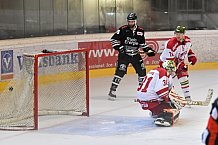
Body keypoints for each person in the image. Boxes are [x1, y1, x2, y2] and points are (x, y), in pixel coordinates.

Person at [108, 12, 156, 101]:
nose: (130, 23)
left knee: (142, 72)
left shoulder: (140, 31)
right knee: (120, 72)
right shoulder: (123, 29)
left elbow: (142, 44)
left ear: (135, 21)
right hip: (124, 56)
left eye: (132, 21)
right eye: (129, 21)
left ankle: (142, 91)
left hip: (135, 55)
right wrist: (120, 48)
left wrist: (147, 50)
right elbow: (113, 40)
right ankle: (112, 90)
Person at [136, 60, 185, 127]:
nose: (171, 73)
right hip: (151, 99)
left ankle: (155, 112)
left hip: (142, 97)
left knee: (165, 102)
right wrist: (170, 101)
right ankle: (163, 118)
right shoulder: (163, 72)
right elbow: (161, 90)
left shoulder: (154, 70)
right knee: (173, 108)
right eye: (171, 71)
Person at [159, 26, 197, 102]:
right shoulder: (171, 44)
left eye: (180, 34)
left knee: (184, 79)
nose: (178, 36)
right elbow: (169, 61)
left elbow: (187, 50)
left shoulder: (188, 41)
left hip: (178, 62)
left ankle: (188, 98)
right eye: (176, 33)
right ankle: (162, 97)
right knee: (166, 81)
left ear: (184, 34)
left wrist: (191, 56)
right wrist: (173, 72)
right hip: (166, 63)